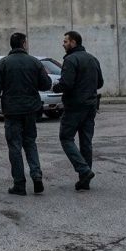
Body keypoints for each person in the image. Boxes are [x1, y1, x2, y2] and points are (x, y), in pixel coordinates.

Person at [0, 32, 53, 195]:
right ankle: (36, 175)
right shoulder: (34, 62)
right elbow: (46, 85)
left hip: (12, 111)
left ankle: (19, 184)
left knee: (14, 146)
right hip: (31, 110)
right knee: (30, 143)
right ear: (24, 44)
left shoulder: (3, 64)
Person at [52, 30, 104, 190]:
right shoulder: (92, 58)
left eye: (65, 41)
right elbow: (100, 83)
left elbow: (66, 83)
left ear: (73, 42)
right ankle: (85, 180)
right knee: (86, 142)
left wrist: (55, 87)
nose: (63, 44)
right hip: (90, 105)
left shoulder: (70, 60)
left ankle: (84, 170)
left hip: (74, 106)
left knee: (66, 138)